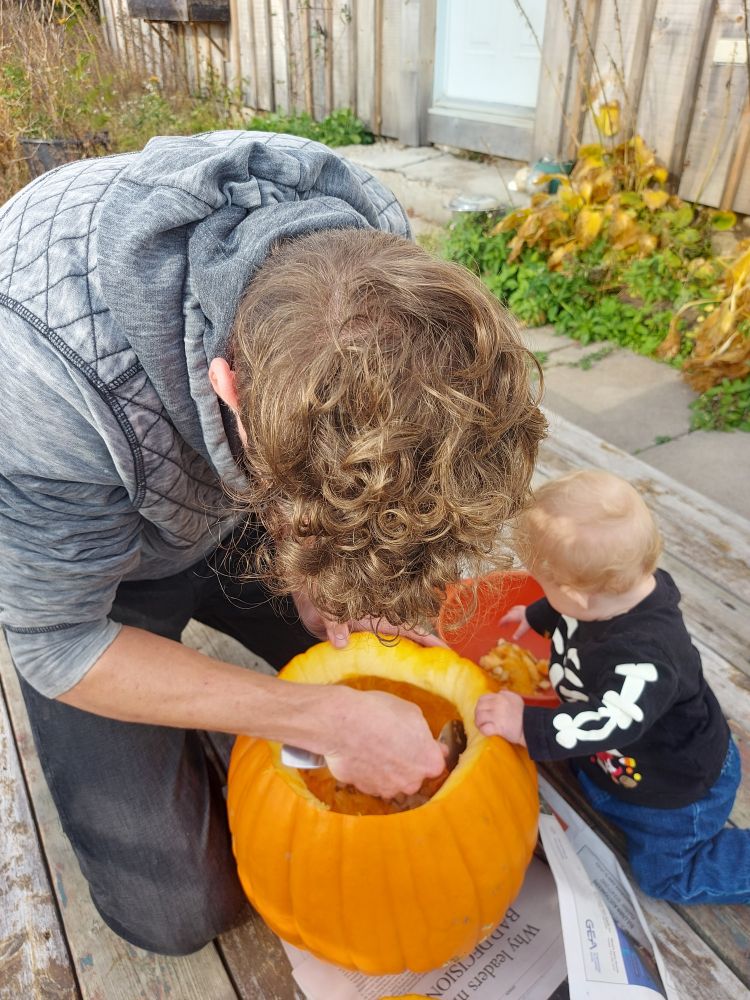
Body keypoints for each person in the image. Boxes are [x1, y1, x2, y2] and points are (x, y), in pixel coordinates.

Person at [0, 129, 546, 953]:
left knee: (395, 665)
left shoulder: (378, 252)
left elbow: (346, 464)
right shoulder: (38, 372)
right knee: (178, 910)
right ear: (230, 385)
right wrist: (317, 716)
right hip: (102, 568)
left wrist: (324, 574)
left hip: (248, 502)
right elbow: (58, 644)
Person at [475, 469, 750, 905]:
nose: (542, 594)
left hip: (674, 788)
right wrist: (538, 616)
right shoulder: (610, 593)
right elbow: (570, 608)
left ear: (580, 597)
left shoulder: (644, 659)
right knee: (592, 786)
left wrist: (528, 725)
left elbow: (608, 721)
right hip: (623, 768)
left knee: (665, 877)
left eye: (547, 587)